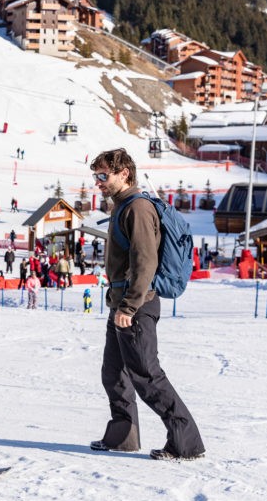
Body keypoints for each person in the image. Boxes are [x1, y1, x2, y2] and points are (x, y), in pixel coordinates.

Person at [88, 148, 205, 461]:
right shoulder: (123, 206)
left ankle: (186, 443)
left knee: (147, 376)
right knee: (113, 373)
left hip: (137, 305)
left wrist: (128, 307)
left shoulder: (137, 208)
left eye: (103, 175)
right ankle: (122, 437)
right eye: (95, 176)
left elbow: (145, 262)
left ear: (124, 173)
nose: (97, 182)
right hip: (122, 303)